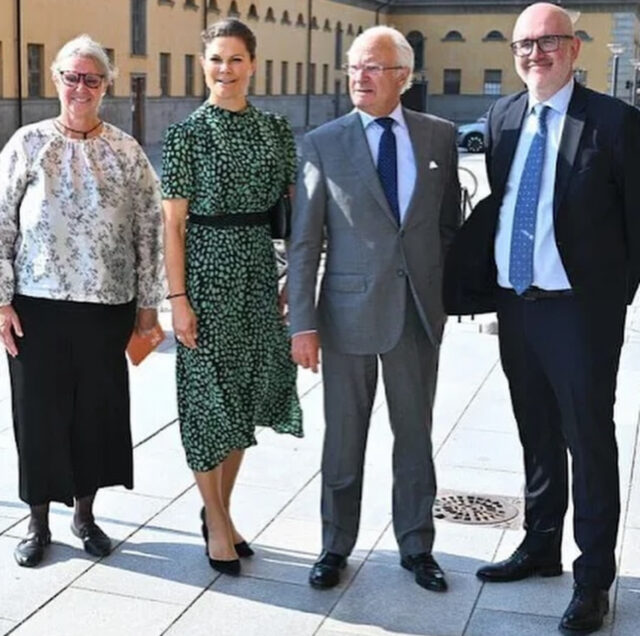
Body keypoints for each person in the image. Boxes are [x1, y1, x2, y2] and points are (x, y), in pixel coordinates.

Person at [443, 3, 640, 633]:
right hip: (516, 304)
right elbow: (505, 203)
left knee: (589, 439)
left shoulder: (614, 122)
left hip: (579, 312)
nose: (535, 53)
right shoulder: (504, 117)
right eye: (524, 44)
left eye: (549, 41)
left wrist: (612, 300)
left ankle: (593, 579)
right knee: (535, 431)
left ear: (574, 48)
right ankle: (540, 543)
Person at [287, 25, 460, 592]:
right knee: (343, 439)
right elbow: (305, 241)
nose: (359, 76)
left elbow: (446, 226)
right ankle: (335, 545)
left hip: (415, 314)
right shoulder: (323, 142)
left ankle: (417, 546)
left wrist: (443, 294)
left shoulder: (438, 136)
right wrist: (302, 323)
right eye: (354, 66)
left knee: (415, 437)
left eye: (373, 67)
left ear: (402, 77)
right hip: (346, 316)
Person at [0, 35, 164, 568]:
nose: (80, 87)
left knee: (94, 414)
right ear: (56, 80)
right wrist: (1, 301)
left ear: (105, 86)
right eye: (71, 77)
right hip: (35, 307)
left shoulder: (126, 151)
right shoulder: (27, 144)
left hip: (106, 308)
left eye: (92, 79)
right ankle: (37, 523)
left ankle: (85, 516)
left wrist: (148, 305)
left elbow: (149, 230)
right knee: (37, 415)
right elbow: (0, 224)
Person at [161, 19, 303, 577]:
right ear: (203, 65)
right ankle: (218, 524)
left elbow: (294, 212)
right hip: (204, 275)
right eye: (216, 59)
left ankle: (218, 510)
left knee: (242, 400)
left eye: (236, 58)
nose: (226, 69)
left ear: (253, 64)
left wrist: (294, 278)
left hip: (256, 276)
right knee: (205, 402)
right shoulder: (185, 135)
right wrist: (178, 298)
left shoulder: (275, 131)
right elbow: (173, 225)